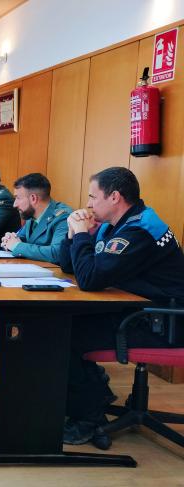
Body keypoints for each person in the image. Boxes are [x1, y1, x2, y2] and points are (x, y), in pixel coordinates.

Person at [58, 167, 184, 447]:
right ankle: (96, 395)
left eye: (93, 197)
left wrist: (82, 236)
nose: (88, 204)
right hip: (137, 312)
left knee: (63, 335)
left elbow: (89, 280)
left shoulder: (139, 230)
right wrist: (73, 234)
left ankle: (88, 419)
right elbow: (72, 268)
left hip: (163, 322)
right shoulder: (114, 224)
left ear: (114, 197)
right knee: (61, 324)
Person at [0, 173, 72, 264]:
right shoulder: (31, 215)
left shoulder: (63, 217)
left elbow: (57, 253)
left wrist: (16, 246)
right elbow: (20, 239)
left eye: (18, 198)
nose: (14, 204)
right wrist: (8, 241)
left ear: (33, 198)